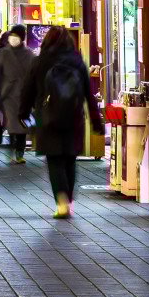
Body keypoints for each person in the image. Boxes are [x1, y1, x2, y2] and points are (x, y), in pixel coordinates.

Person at [18, 24, 104, 218]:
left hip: (48, 118)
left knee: (55, 160)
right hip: (74, 118)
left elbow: (28, 89)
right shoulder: (77, 61)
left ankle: (62, 202)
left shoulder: (40, 61)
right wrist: (97, 121)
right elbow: (88, 94)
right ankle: (69, 202)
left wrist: (23, 112)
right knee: (70, 160)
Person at [0, 28, 34, 165]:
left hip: (24, 95)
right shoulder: (3, 54)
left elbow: (34, 77)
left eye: (16, 36)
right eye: (12, 35)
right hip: (7, 95)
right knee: (12, 123)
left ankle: (18, 152)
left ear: (22, 38)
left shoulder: (29, 55)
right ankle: (13, 149)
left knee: (21, 123)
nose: (13, 38)